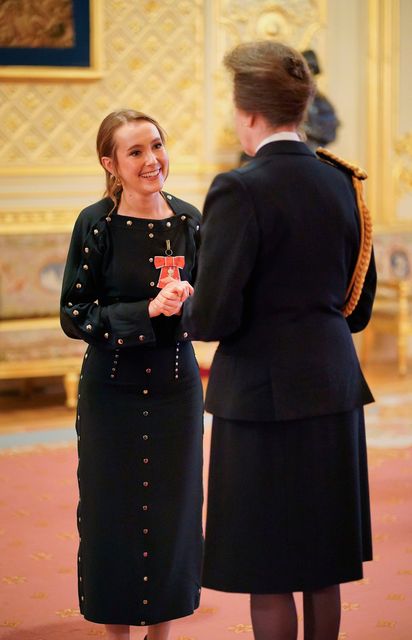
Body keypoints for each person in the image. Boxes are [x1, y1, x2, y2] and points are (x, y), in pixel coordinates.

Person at [183, 41, 376, 640]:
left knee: (267, 567)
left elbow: (213, 317)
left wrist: (186, 301)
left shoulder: (239, 189)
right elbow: (359, 308)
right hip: (334, 385)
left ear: (248, 114)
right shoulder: (342, 183)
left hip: (261, 398)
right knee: (323, 565)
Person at [60, 109, 203, 640]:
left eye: (157, 146)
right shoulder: (94, 224)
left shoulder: (189, 221)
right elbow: (75, 316)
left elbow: (211, 306)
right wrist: (146, 311)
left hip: (176, 387)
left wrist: (186, 303)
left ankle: (161, 634)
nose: (152, 160)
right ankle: (115, 634)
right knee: (109, 511)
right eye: (136, 151)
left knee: (174, 510)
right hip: (110, 388)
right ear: (111, 164)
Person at [302, 49, 340, 151]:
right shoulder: (289, 98)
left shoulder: (321, 101)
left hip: (312, 151)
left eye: (313, 72)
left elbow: (331, 131)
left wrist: (305, 129)